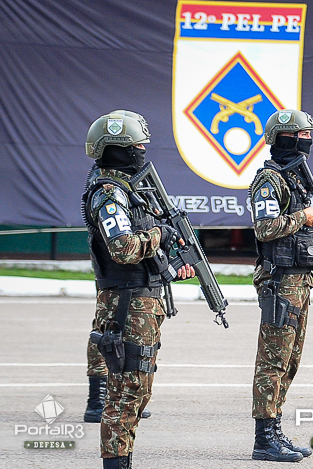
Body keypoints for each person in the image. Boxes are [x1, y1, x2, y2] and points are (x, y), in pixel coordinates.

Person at [82, 110, 194, 469]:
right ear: (116, 148)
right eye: (136, 145)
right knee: (124, 394)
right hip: (126, 304)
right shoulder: (109, 193)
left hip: (141, 302)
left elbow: (142, 251)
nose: (142, 150)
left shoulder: (131, 191)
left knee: (136, 391)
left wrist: (170, 267)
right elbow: (124, 248)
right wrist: (160, 233)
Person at [249, 109, 313, 462]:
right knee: (273, 361)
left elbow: (308, 239)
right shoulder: (269, 180)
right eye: (302, 134)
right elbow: (265, 228)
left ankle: (275, 429)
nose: (308, 140)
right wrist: (301, 216)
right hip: (280, 282)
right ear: (284, 137)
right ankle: (264, 438)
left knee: (290, 361)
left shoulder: (298, 179)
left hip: (300, 281)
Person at [83, 291, 151, 423]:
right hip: (115, 282)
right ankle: (97, 400)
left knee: (132, 327)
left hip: (137, 283)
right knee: (106, 330)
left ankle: (125, 398)